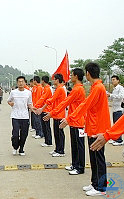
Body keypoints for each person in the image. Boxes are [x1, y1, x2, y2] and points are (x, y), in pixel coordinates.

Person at [60, 62, 110, 196]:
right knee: (93, 157)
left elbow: (85, 105)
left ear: (88, 73)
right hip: (93, 126)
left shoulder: (98, 88)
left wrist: (69, 119)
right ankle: (95, 183)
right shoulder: (96, 87)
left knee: (98, 158)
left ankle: (101, 187)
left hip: (98, 128)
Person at [43, 68, 86, 175]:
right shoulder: (76, 88)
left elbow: (64, 103)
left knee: (79, 145)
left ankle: (80, 167)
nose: (70, 77)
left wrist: (51, 113)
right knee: (74, 145)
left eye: (71, 75)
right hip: (73, 120)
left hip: (78, 121)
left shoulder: (77, 89)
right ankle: (75, 164)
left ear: (76, 76)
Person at [36, 74, 66, 157]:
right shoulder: (57, 89)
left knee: (59, 133)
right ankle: (57, 149)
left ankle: (61, 151)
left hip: (59, 114)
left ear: (57, 80)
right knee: (56, 133)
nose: (53, 81)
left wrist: (42, 108)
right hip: (56, 114)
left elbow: (51, 100)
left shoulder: (60, 89)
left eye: (54, 79)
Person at [7, 76, 32, 156]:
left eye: (22, 81)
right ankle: (15, 147)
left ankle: (21, 149)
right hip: (15, 116)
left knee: (24, 134)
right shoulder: (13, 92)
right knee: (15, 134)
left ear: (25, 83)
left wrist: (33, 109)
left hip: (25, 116)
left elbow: (29, 103)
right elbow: (9, 100)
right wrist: (10, 103)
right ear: (17, 83)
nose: (21, 83)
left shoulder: (28, 92)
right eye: (19, 82)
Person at [33, 76, 53, 147]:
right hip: (43, 109)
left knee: (46, 126)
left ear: (43, 81)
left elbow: (42, 98)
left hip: (46, 109)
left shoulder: (47, 89)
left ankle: (49, 141)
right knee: (44, 126)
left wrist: (36, 106)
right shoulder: (45, 88)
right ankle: (47, 141)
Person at [107, 75, 124, 145]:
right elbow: (112, 98)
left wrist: (111, 95)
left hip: (119, 109)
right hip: (114, 109)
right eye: (112, 80)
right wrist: (108, 95)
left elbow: (121, 96)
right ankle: (115, 138)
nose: (112, 81)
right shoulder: (114, 89)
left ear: (118, 80)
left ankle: (119, 140)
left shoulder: (120, 88)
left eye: (114, 79)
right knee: (115, 125)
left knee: (118, 125)